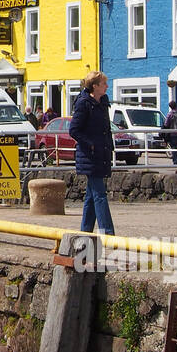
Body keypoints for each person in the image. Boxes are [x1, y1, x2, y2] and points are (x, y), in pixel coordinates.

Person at [70, 71, 115, 235]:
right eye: (104, 83)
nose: (107, 86)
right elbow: (74, 130)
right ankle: (108, 233)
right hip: (90, 155)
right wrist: (91, 144)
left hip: (102, 153)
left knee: (91, 195)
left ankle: (86, 231)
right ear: (95, 86)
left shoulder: (103, 101)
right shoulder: (83, 103)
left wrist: (108, 145)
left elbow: (105, 129)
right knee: (99, 194)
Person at [162, 101, 177, 165]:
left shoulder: (170, 114)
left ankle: (175, 160)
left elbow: (166, 124)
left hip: (172, 133)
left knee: (174, 147)